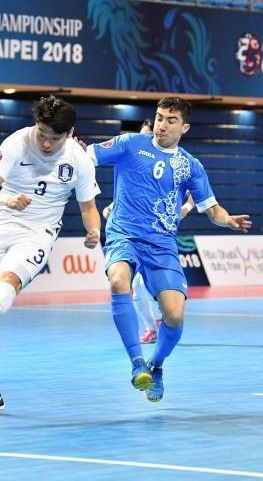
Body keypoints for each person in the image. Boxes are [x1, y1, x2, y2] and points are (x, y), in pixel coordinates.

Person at [87, 97, 252, 402]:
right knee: (119, 281)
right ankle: (138, 364)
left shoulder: (190, 165)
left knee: (174, 316)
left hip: (162, 245)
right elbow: (86, 156)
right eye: (159, 117)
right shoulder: (130, 144)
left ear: (184, 127)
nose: (161, 125)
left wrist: (228, 220)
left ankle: (156, 365)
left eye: (170, 120)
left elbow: (211, 209)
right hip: (124, 235)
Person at [0, 96, 101, 416]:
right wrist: (6, 199)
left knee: (10, 278)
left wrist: (93, 231)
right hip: (2, 222)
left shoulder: (79, 159)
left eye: (54, 138)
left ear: (69, 133)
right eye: (42, 133)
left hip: (39, 231)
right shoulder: (17, 142)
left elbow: (88, 206)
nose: (45, 143)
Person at [102, 120, 196, 344]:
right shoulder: (134, 167)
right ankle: (151, 328)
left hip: (159, 243)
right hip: (132, 242)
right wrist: (110, 210)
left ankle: (165, 319)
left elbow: (191, 198)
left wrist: (186, 207)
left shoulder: (177, 166)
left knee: (158, 292)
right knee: (136, 288)